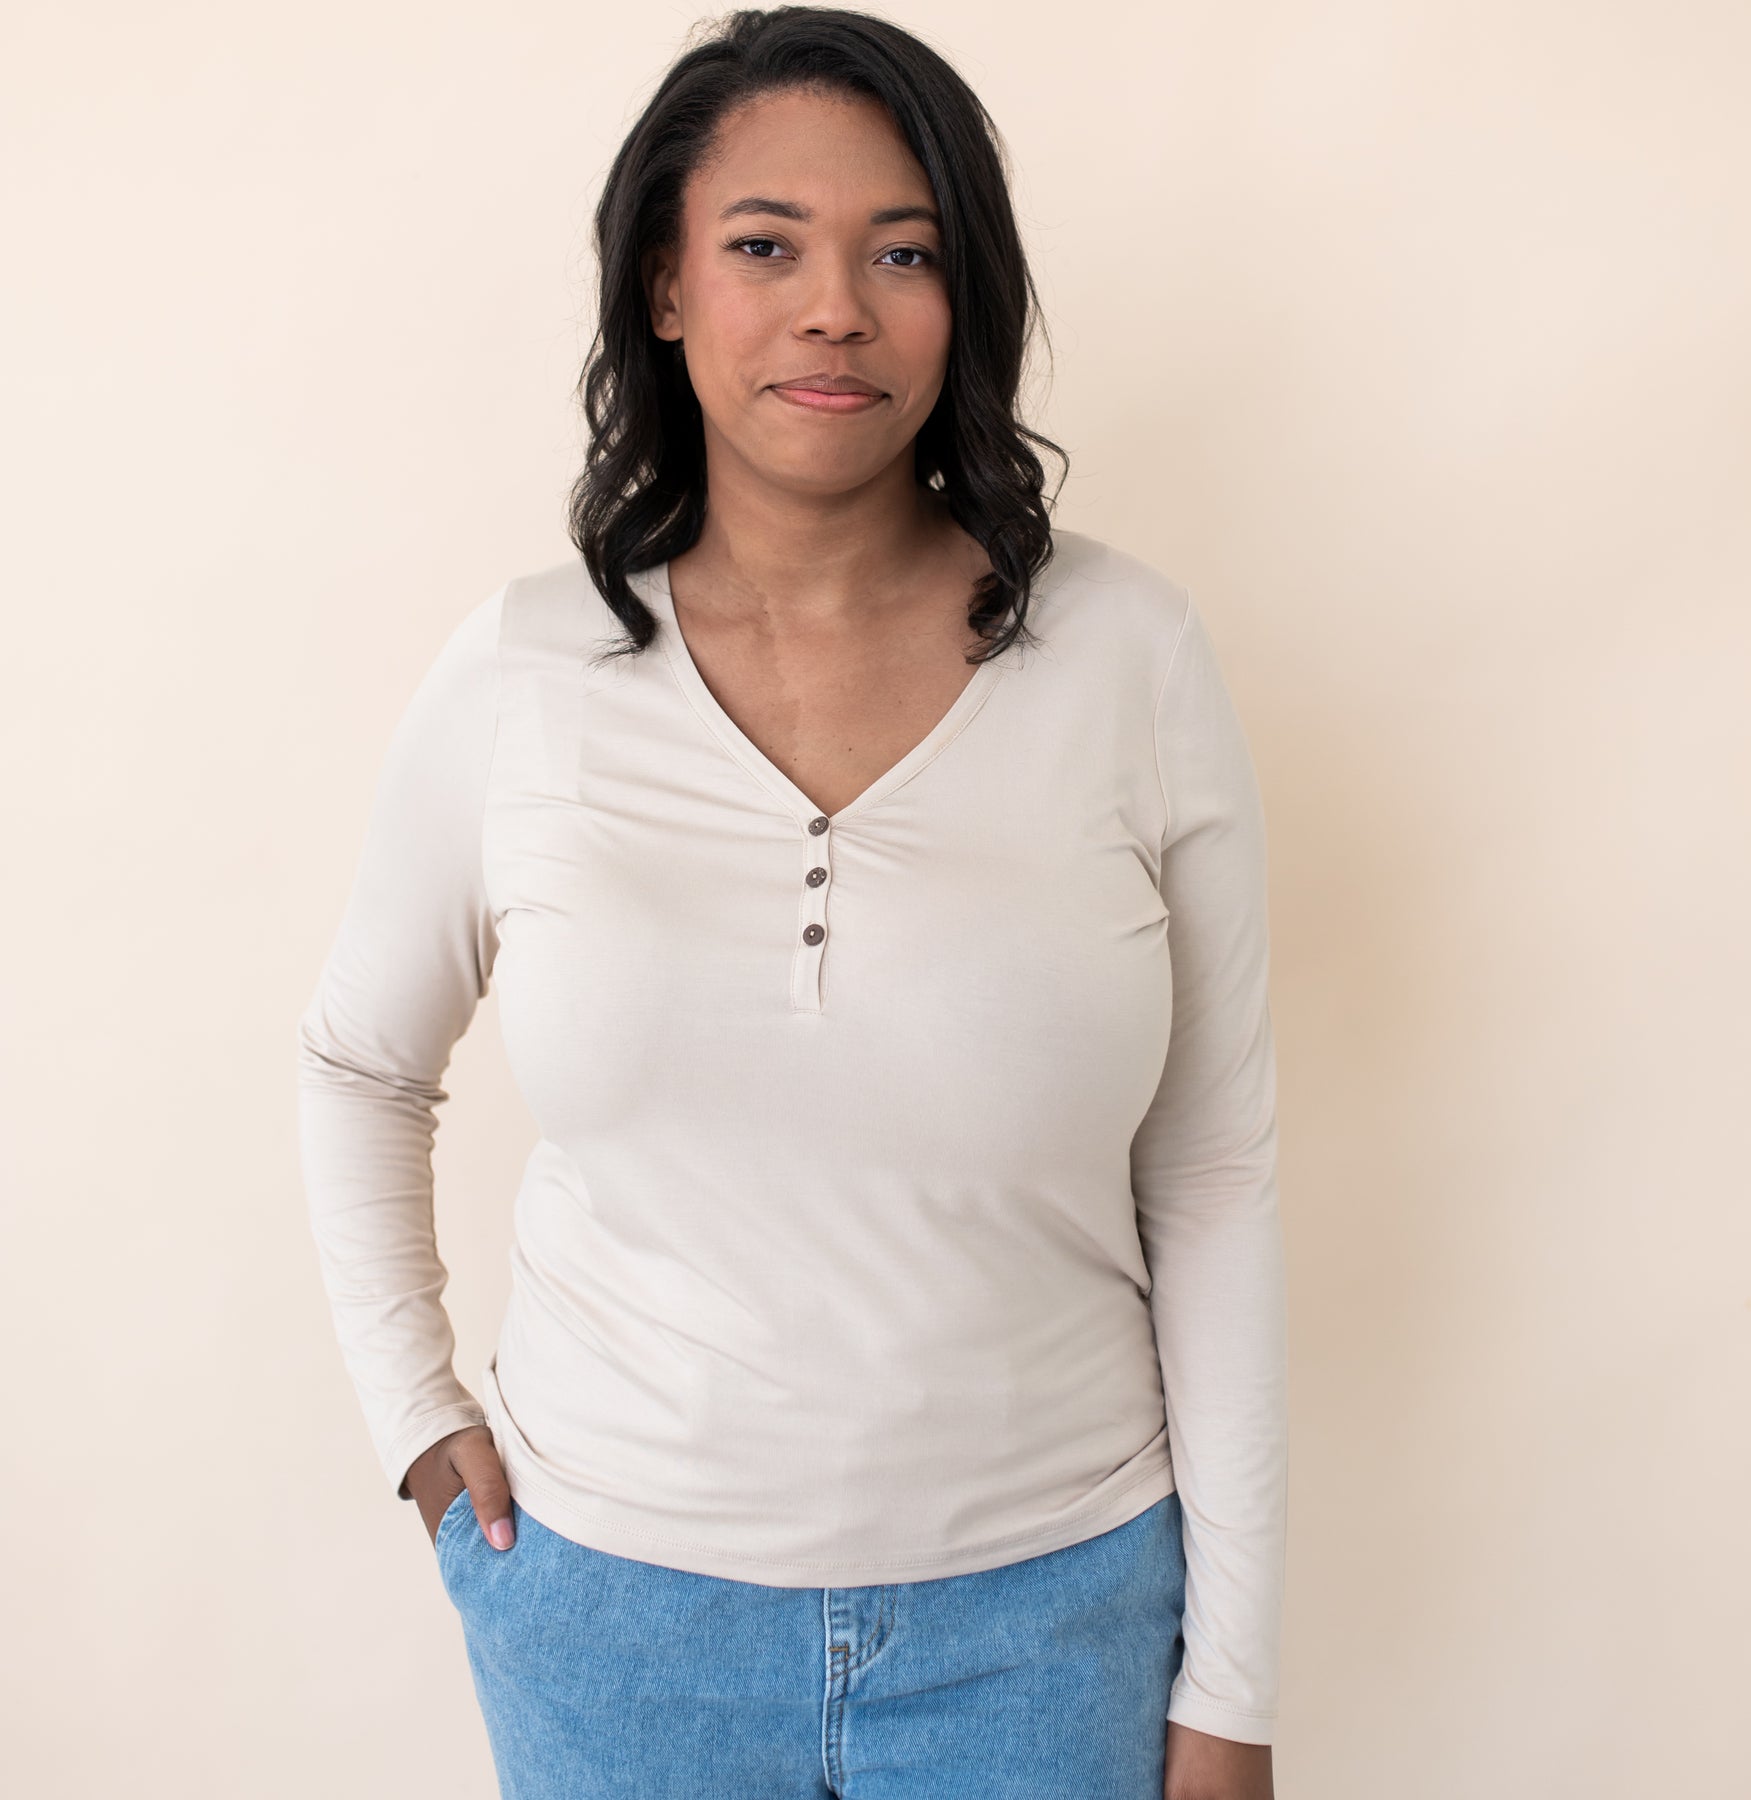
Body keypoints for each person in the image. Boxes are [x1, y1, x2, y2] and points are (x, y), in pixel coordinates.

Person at [295, 9, 1287, 1798]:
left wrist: (1233, 1684)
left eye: (902, 253)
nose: (836, 303)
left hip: (1051, 1628)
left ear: (961, 300)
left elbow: (1211, 1174)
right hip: (614, 1629)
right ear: (666, 290)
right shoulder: (526, 674)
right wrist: (419, 1420)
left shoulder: (1131, 660)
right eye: (766, 245)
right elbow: (360, 1062)